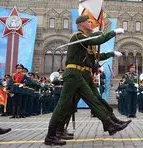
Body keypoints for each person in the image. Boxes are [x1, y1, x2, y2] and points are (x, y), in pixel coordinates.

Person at [44, 15, 130, 146]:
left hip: (78, 75)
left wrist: (110, 52)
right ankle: (51, 135)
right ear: (82, 24)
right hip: (73, 74)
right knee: (63, 105)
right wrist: (113, 32)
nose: (91, 23)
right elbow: (98, 40)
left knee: (93, 99)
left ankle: (110, 124)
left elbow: (94, 54)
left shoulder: (84, 38)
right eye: (89, 22)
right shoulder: (78, 36)